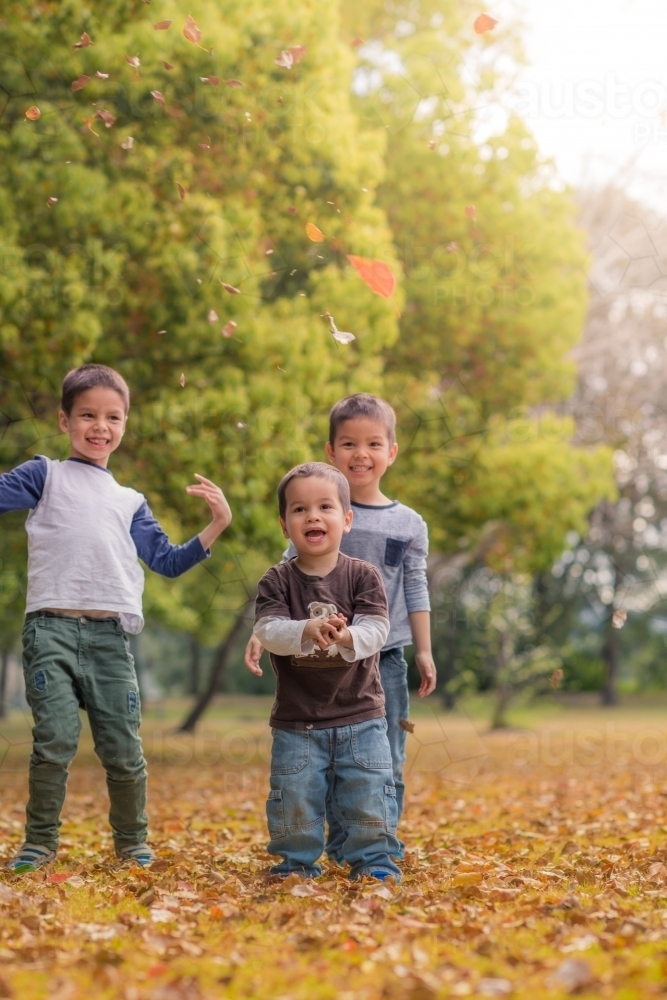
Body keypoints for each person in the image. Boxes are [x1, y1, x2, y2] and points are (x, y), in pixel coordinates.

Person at [0, 364, 232, 872]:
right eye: (87, 415)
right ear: (65, 421)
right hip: (51, 632)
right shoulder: (44, 475)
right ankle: (38, 844)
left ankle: (132, 843)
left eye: (112, 417)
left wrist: (217, 524)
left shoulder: (131, 502)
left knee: (124, 751)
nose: (99, 426)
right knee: (55, 740)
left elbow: (167, 562)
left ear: (125, 424)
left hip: (109, 639)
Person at [246, 393, 435, 861]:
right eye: (349, 443)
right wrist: (263, 632)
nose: (361, 453)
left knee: (381, 755)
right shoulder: (314, 502)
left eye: (373, 443)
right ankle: (334, 843)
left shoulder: (407, 523)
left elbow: (415, 588)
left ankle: (376, 842)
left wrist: (424, 650)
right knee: (324, 753)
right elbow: (281, 591)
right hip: (314, 658)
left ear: (391, 452)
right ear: (332, 451)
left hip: (383, 653)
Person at [254, 461, 401, 881]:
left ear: (346, 519)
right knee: (295, 798)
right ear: (285, 525)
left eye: (325, 507)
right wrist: (308, 629)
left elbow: (377, 629)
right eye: (299, 510)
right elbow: (268, 630)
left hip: (361, 715)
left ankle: (373, 862)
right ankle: (295, 865)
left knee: (368, 794)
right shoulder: (277, 581)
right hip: (297, 722)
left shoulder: (362, 577)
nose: (313, 516)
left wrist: (344, 637)